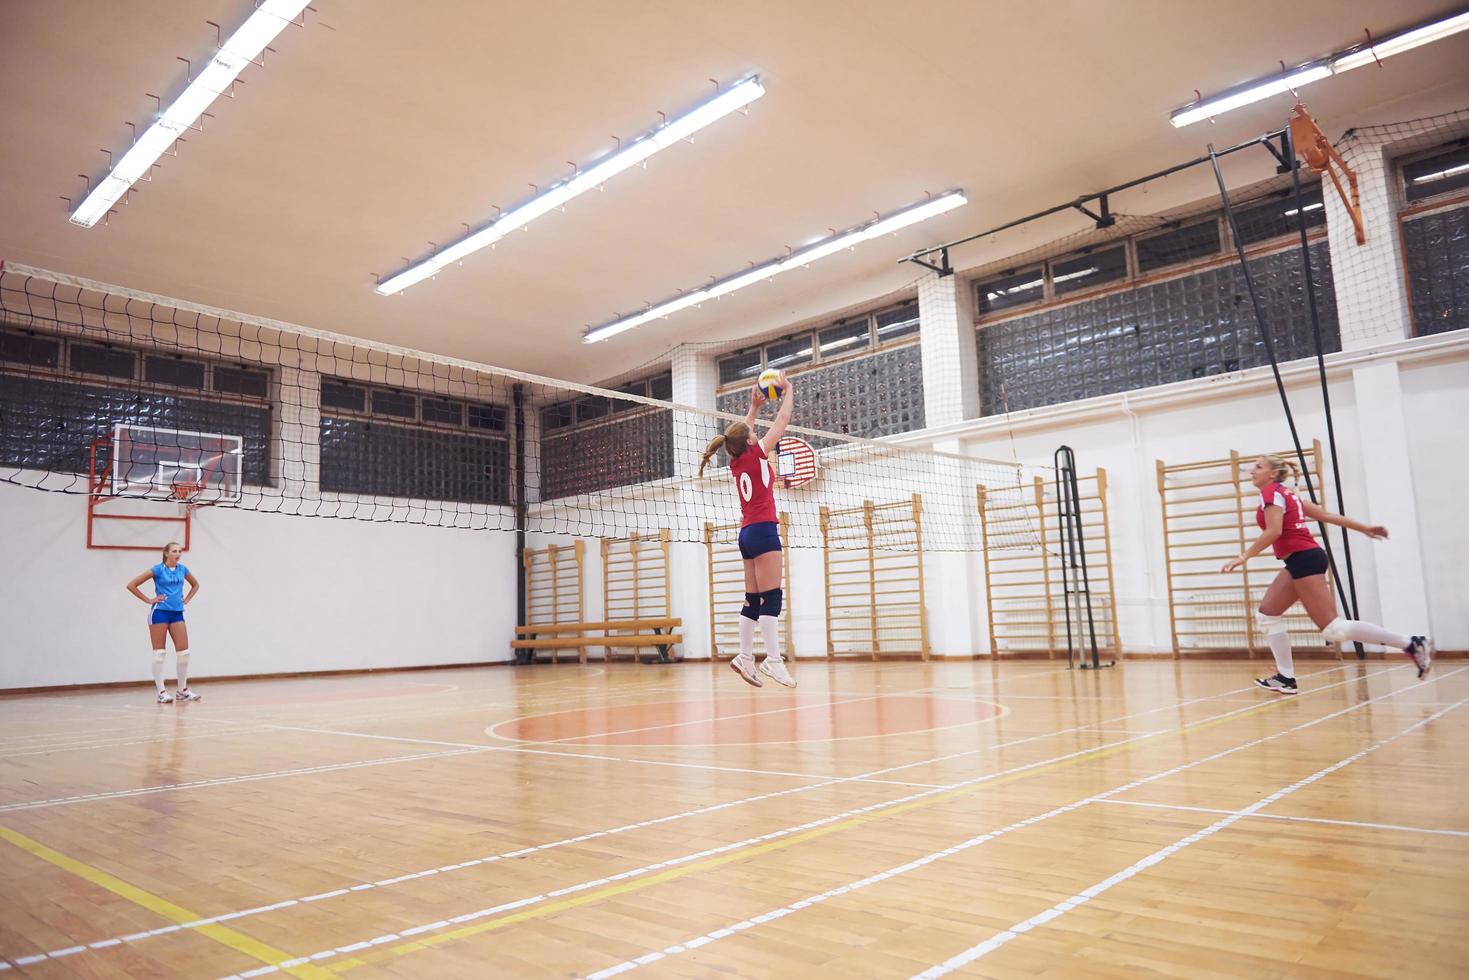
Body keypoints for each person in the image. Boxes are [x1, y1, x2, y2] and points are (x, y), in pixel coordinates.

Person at [1223, 455, 1432, 694]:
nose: (1252, 471)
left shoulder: (1272, 494)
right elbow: (1327, 516)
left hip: (1304, 559)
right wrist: (1365, 528)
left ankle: (1411, 643)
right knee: (1268, 615)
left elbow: (1274, 531)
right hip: (1300, 560)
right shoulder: (1290, 496)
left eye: (1258, 467)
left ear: (1272, 474)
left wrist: (1244, 556)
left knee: (1334, 629)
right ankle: (1285, 678)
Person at [699, 374, 796, 688]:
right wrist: (789, 391)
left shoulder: (737, 459)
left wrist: (753, 408)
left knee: (752, 599)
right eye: (753, 433)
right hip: (765, 532)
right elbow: (782, 419)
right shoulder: (757, 453)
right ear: (752, 440)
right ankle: (773, 660)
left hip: (746, 535)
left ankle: (744, 656)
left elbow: (739, 434)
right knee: (772, 599)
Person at [126, 541, 202, 703]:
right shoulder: (157, 570)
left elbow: (195, 585)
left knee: (184, 653)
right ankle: (161, 691)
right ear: (166, 553)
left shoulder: (183, 569)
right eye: (174, 551)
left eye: (180, 551)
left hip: (177, 614)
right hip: (159, 613)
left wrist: (186, 599)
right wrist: (149, 599)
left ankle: (182, 690)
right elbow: (131, 585)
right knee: (159, 653)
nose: (178, 554)